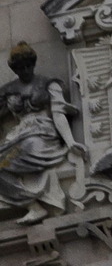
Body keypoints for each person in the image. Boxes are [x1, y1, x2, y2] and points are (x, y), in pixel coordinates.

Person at [0, 43, 80, 221]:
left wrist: (70, 142)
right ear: (15, 69)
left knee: (23, 149)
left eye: (29, 65)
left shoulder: (47, 84)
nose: (26, 70)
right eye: (21, 67)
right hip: (18, 136)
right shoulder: (8, 90)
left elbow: (58, 114)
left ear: (33, 64)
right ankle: (33, 206)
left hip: (42, 136)